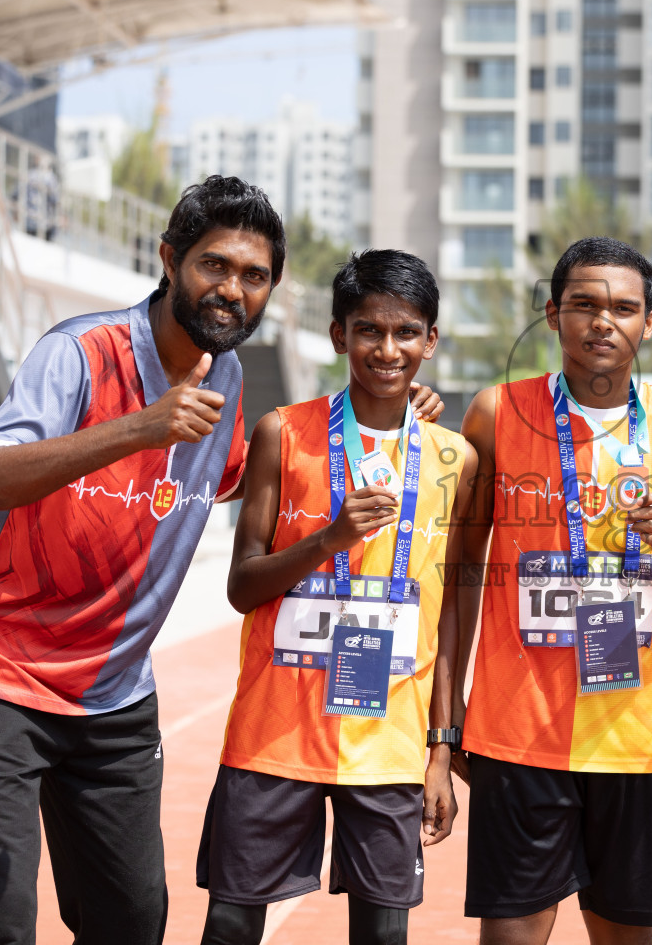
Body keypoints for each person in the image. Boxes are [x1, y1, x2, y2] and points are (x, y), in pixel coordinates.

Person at [0, 176, 283, 945]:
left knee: (131, 921)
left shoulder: (225, 376)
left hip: (113, 692)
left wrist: (380, 417)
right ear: (169, 259)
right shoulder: (80, 354)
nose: (231, 290)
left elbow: (237, 476)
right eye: (213, 265)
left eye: (254, 277)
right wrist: (138, 429)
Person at [194, 250, 475, 945]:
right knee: (230, 927)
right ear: (337, 335)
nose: (387, 349)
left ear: (430, 341)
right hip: (273, 735)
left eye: (406, 333)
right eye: (368, 331)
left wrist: (441, 750)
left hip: (389, 745)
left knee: (382, 936)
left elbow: (445, 616)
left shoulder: (454, 458)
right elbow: (241, 586)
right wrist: (327, 539)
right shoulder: (282, 434)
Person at [454, 237, 652, 943]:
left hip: (636, 743)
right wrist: (442, 721)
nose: (603, 321)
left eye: (624, 308)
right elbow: (457, 581)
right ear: (553, 314)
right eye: (584, 305)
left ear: (651, 321)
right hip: (518, 739)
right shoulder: (494, 413)